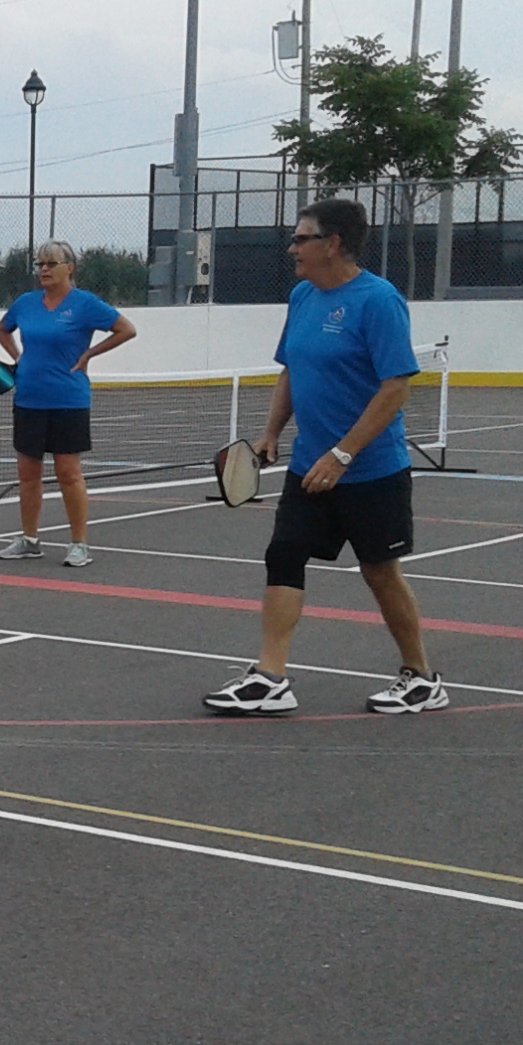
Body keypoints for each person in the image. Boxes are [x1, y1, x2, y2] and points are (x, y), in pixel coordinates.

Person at [204, 197, 447, 716]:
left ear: (333, 243)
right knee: (284, 555)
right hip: (307, 464)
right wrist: (271, 433)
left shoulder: (378, 300)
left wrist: (343, 453)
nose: (292, 247)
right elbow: (292, 368)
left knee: (380, 570)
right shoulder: (302, 296)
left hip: (370, 467)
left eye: (301, 237)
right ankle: (271, 677)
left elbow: (396, 386)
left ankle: (422, 678)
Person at [0, 240, 138, 567]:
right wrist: (18, 357)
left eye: (50, 264)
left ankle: (79, 543)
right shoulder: (26, 303)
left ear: (69, 268)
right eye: (39, 264)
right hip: (29, 397)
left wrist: (88, 355)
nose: (43, 269)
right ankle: (29, 539)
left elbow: (126, 329)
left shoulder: (84, 304)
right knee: (28, 473)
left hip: (68, 399)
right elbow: (3, 329)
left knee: (68, 472)